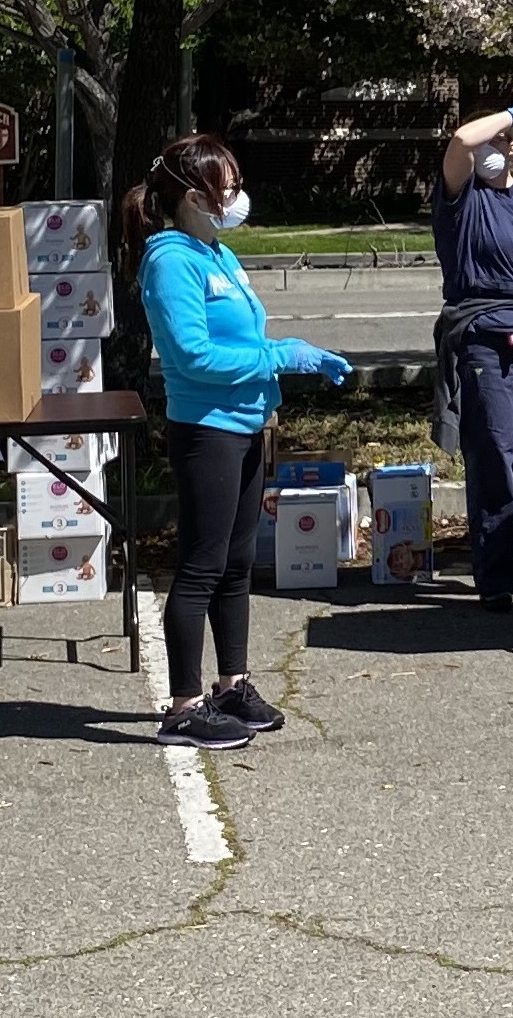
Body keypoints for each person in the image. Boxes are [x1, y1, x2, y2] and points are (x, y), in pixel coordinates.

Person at [125, 134, 353, 749]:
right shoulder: (170, 259)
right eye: (225, 186)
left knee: (237, 560)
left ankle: (232, 683)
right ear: (194, 196)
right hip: (207, 430)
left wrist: (279, 364)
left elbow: (238, 338)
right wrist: (282, 356)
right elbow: (192, 355)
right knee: (200, 564)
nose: (237, 196)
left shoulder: (216, 251)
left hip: (247, 423)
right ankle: (183, 706)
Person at [434, 96, 513, 611]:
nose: (499, 147)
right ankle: (498, 577)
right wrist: (512, 113)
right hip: (487, 341)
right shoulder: (462, 199)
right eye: (495, 139)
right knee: (494, 456)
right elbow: (461, 141)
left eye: (507, 141)